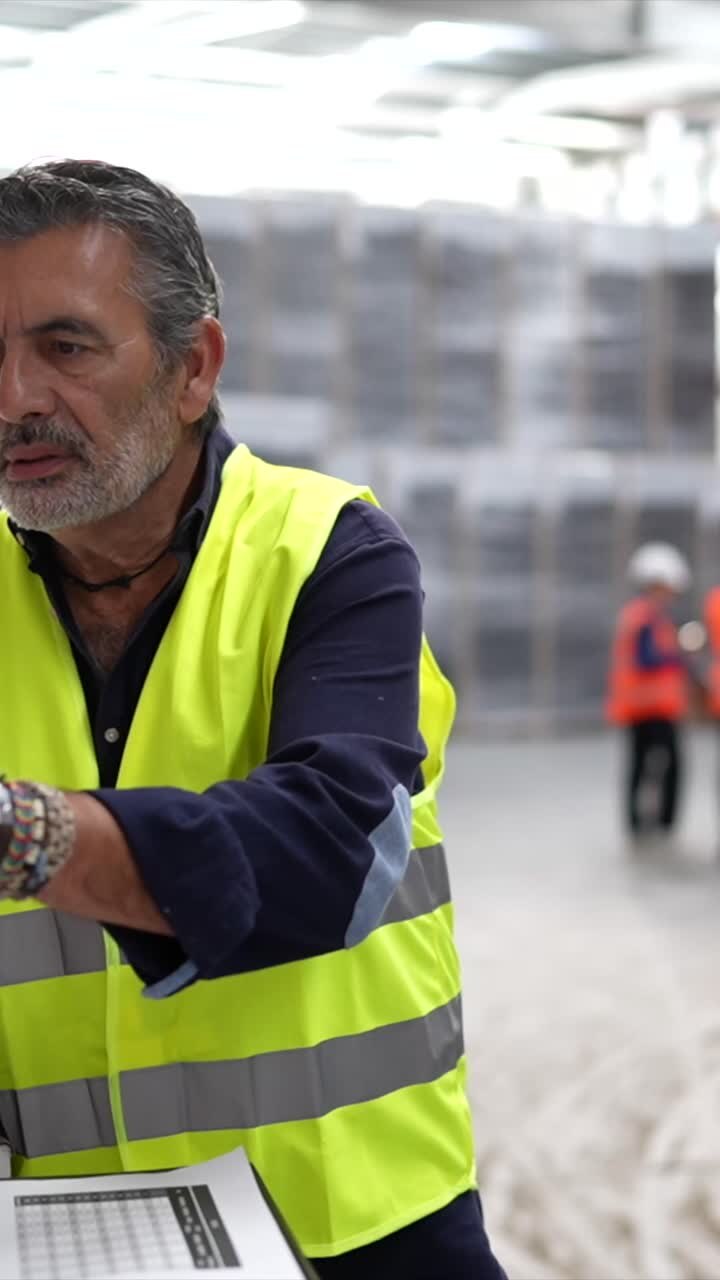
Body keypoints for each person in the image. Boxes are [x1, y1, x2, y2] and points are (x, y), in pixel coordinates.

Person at [0, 159, 506, 1280]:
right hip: (72, 1233)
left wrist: (25, 834)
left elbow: (328, 846)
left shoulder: (329, 553)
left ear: (194, 368)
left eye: (66, 346)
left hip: (354, 1224)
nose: (13, 398)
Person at [606, 542, 690, 839]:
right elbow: (647, 660)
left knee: (640, 767)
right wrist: (677, 653)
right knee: (665, 768)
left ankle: (640, 825)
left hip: (642, 707)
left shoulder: (643, 616)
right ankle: (656, 825)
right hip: (652, 708)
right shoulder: (645, 618)